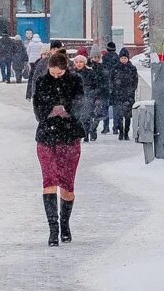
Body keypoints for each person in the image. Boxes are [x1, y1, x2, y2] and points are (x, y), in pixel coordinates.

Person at [32, 48, 85, 246]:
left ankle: (65, 223)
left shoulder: (75, 81)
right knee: (49, 180)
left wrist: (67, 110)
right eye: (52, 73)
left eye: (59, 73)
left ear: (65, 69)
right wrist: (49, 111)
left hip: (69, 136)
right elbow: (37, 109)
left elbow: (80, 105)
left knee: (67, 183)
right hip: (47, 137)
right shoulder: (42, 82)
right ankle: (53, 229)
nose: (55, 76)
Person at [74, 50, 108, 141]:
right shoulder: (72, 73)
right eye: (77, 62)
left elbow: (97, 85)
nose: (79, 64)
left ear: (84, 63)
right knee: (77, 117)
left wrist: (96, 96)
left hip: (89, 97)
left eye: (81, 62)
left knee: (86, 117)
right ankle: (79, 135)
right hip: (76, 99)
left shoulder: (90, 73)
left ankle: (86, 135)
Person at [110, 46, 140, 138]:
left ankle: (126, 132)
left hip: (128, 95)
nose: (123, 60)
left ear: (128, 58)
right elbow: (111, 81)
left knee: (127, 116)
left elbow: (135, 80)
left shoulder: (132, 68)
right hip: (118, 95)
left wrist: (131, 90)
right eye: (122, 58)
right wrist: (113, 91)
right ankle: (120, 131)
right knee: (119, 115)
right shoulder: (115, 68)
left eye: (125, 58)